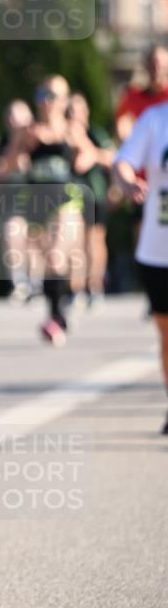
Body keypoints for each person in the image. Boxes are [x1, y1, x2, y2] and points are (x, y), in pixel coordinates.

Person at [4, 76, 101, 345]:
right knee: (48, 262)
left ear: (63, 101)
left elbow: (91, 154)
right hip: (36, 202)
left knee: (57, 256)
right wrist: (20, 146)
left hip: (65, 200)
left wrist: (80, 159)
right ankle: (57, 312)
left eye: (52, 96)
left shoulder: (71, 130)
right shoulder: (29, 131)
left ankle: (57, 316)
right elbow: (8, 165)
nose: (46, 102)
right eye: (42, 95)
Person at [113, 101, 168, 435]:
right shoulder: (155, 119)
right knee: (166, 334)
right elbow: (123, 162)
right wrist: (129, 181)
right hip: (158, 248)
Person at [66, 93, 115, 311]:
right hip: (71, 194)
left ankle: (95, 284)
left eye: (79, 110)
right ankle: (74, 287)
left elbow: (113, 157)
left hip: (95, 192)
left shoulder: (95, 133)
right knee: (74, 240)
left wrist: (91, 152)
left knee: (95, 238)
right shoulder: (64, 134)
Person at [0, 99, 41, 303]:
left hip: (39, 200)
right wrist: (15, 147)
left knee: (36, 240)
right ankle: (19, 282)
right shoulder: (3, 144)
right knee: (12, 233)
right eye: (11, 116)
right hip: (14, 202)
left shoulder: (40, 141)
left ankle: (38, 284)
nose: (15, 121)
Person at [115, 45, 168, 142]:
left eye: (161, 66)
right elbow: (122, 122)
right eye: (153, 65)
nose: (157, 70)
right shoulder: (133, 96)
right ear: (146, 66)